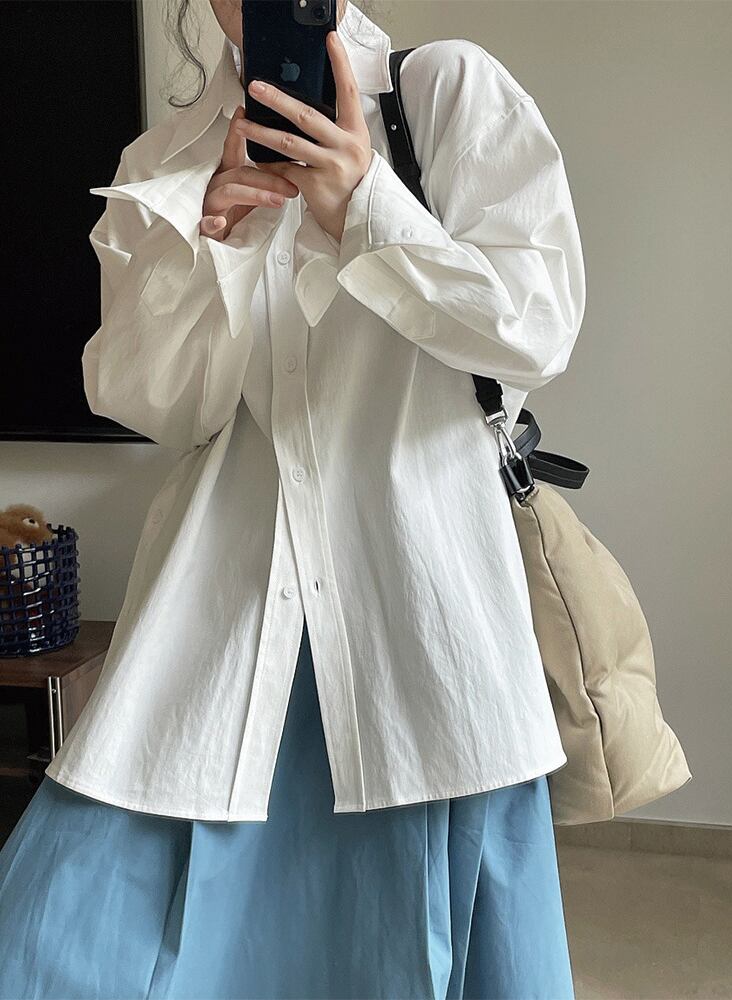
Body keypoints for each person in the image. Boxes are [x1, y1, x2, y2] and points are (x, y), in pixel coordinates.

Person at [0, 0, 586, 996]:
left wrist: (369, 209)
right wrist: (209, 251)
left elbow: (536, 330)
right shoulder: (162, 160)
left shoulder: (445, 93)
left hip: (423, 624)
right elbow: (157, 406)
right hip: (215, 626)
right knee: (52, 945)